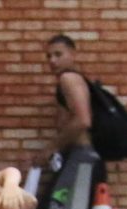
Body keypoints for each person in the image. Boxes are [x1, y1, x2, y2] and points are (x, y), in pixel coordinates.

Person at [39, 34, 96, 173]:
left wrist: (51, 147)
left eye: (58, 54)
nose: (52, 60)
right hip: (77, 155)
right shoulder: (70, 79)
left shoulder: (68, 78)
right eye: (49, 56)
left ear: (72, 54)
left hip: (82, 158)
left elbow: (83, 121)